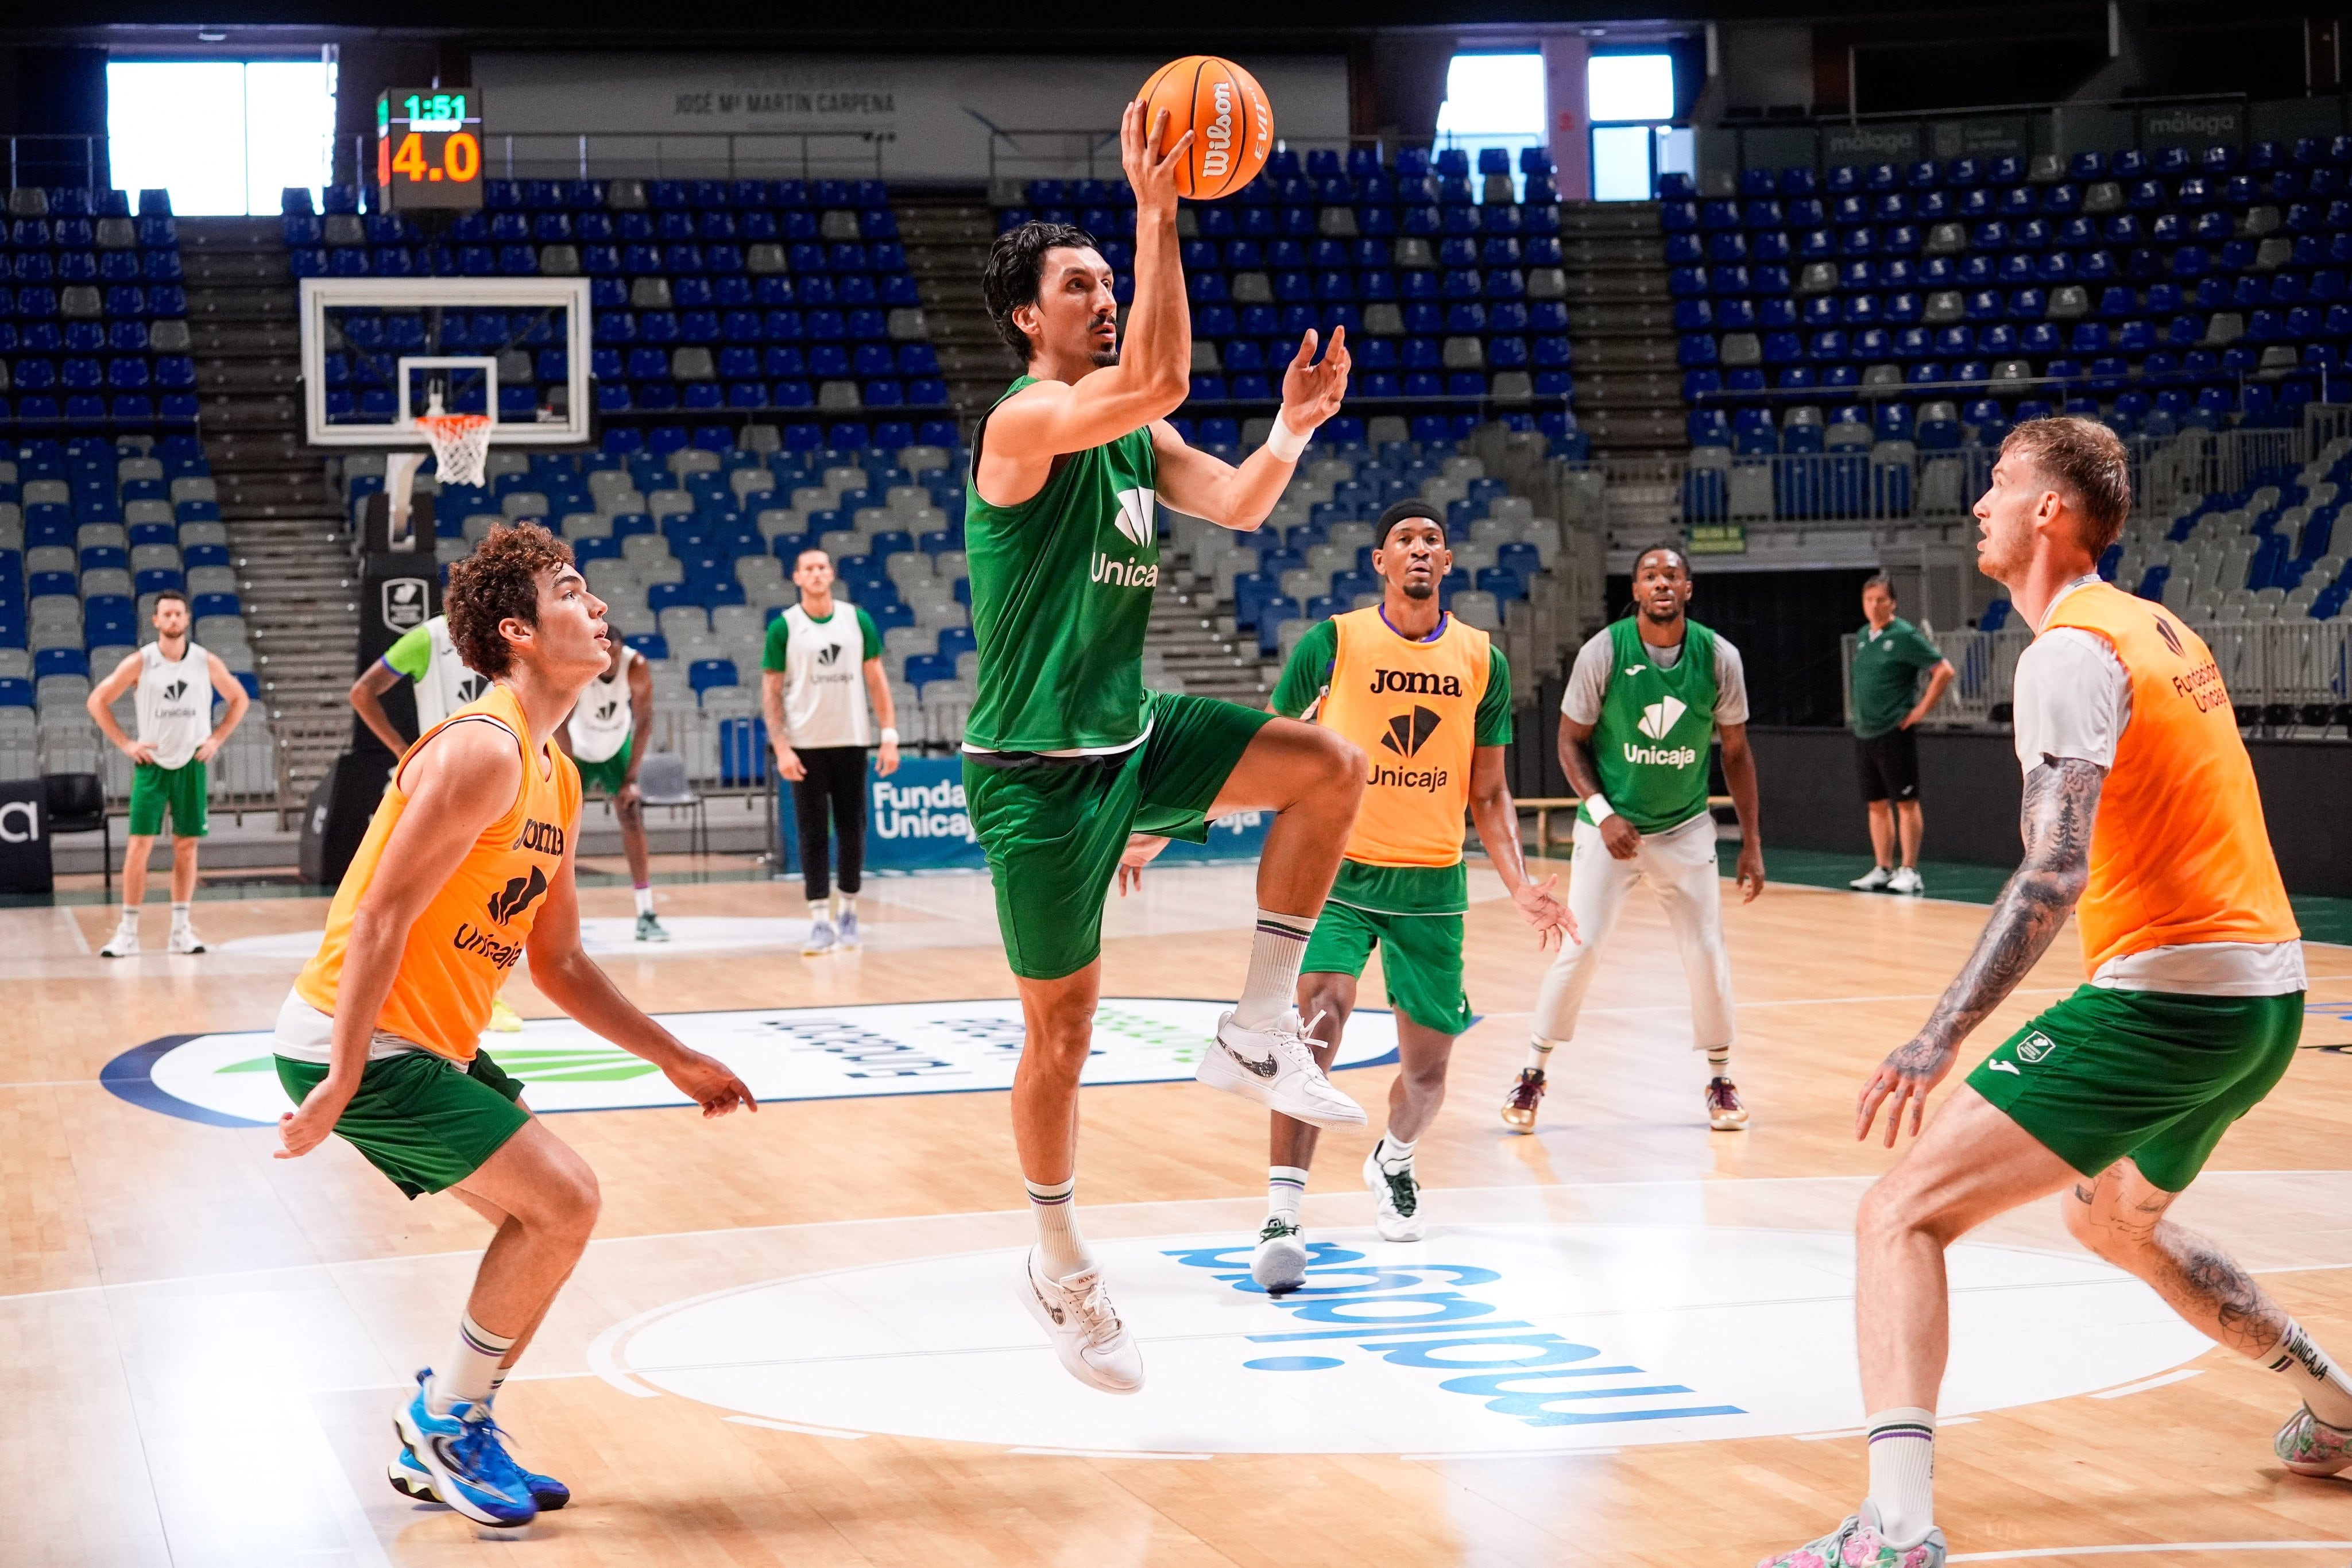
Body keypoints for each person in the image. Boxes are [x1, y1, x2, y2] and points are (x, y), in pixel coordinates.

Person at [1762, 419, 2327, 1568]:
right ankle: (2341, 1413)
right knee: (2107, 1217)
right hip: (2264, 999)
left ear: (2049, 515)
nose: (1978, 503)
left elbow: (2052, 868)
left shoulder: (2067, 651)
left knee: (1897, 1212)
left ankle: (1897, 1527)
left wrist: (1937, 1033)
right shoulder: (2153, 626)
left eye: (1999, 484)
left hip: (2171, 1000)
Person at [966, 99, 1360, 1395]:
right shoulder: (1023, 425)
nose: (1095, 296)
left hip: (1130, 733)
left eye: (1102, 280)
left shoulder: (1134, 432)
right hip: (1033, 775)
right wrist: (1153, 206)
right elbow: (1157, 375)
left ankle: (1259, 1024)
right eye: (1074, 285)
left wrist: (1291, 431)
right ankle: (1056, 1257)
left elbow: (1238, 502)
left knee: (1326, 767)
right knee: (1060, 1036)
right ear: (1027, 317)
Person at [274, 522, 755, 1531]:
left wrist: (675, 1057)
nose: (600, 607)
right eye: (573, 591)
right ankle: (446, 1420)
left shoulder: (559, 772)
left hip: (423, 1039)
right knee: (566, 1200)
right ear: (519, 633)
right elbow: (379, 918)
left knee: (542, 1221)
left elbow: (561, 960)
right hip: (352, 1037)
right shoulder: (482, 749)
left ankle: (448, 1421)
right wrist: (345, 1074)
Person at [1246, 499, 1573, 1290]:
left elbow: (1489, 792)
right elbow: (1258, 746)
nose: (1420, 549)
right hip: (1339, 867)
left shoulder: (1481, 658)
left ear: (1449, 563)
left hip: (1433, 880)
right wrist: (1177, 818)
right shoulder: (1335, 641)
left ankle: (1393, 1158)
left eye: (1432, 540)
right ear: (1381, 563)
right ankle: (1283, 1211)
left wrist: (1521, 883)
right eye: (1404, 540)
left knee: (1427, 1075)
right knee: (1316, 1020)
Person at [1501, 542, 1763, 1136]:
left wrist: (1750, 841)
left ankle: (1721, 1080)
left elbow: (1738, 753)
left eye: (1673, 573)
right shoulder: (1604, 652)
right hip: (1609, 828)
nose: (1662, 582)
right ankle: (1532, 1072)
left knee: (1705, 952)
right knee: (1582, 945)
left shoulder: (1719, 657)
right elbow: (1568, 742)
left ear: (1688, 589)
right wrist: (1601, 810)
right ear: (1637, 590)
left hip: (1685, 827)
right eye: (1650, 574)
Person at [353, 613, 531, 1023]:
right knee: (404, 904)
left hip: (496, 783)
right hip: (438, 788)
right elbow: (363, 692)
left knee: (488, 906)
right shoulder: (426, 638)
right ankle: (385, 996)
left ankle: (482, 997)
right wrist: (402, 747)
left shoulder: (512, 634)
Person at [87, 588, 250, 957]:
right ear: (156, 621)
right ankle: (128, 931)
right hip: (152, 764)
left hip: (191, 763)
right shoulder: (141, 662)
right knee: (139, 845)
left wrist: (217, 739)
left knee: (187, 845)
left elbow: (239, 698)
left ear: (188, 619)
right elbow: (97, 700)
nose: (174, 619)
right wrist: (127, 743)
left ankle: (180, 929)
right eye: (167, 615)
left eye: (179, 614)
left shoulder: (204, 661)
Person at [759, 548, 900, 957]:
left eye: (822, 567)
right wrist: (781, 746)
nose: (817, 573)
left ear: (832, 574)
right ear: (797, 577)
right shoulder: (785, 626)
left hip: (852, 739)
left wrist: (888, 733)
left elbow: (877, 680)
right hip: (805, 744)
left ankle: (850, 911)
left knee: (853, 831)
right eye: (809, 568)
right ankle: (819, 919)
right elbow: (770, 691)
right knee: (812, 834)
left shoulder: (857, 620)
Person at [1847, 572, 1955, 897]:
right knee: (1876, 804)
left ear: (1892, 602)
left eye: (1881, 599)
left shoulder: (1905, 635)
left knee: (1905, 802)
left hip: (1894, 731)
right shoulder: (1864, 635)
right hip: (1865, 731)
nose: (1875, 605)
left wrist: (1920, 711)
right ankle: (1883, 868)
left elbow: (1943, 670)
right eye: (1869, 600)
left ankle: (1910, 870)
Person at [556, 636, 668, 942]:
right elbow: (560, 721)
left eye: (616, 656)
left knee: (632, 818)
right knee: (557, 829)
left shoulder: (637, 666)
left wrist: (631, 778)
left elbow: (645, 721)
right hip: (577, 748)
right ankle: (547, 916)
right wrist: (568, 766)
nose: (612, 663)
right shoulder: (581, 665)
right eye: (607, 656)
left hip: (616, 747)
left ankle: (646, 913)